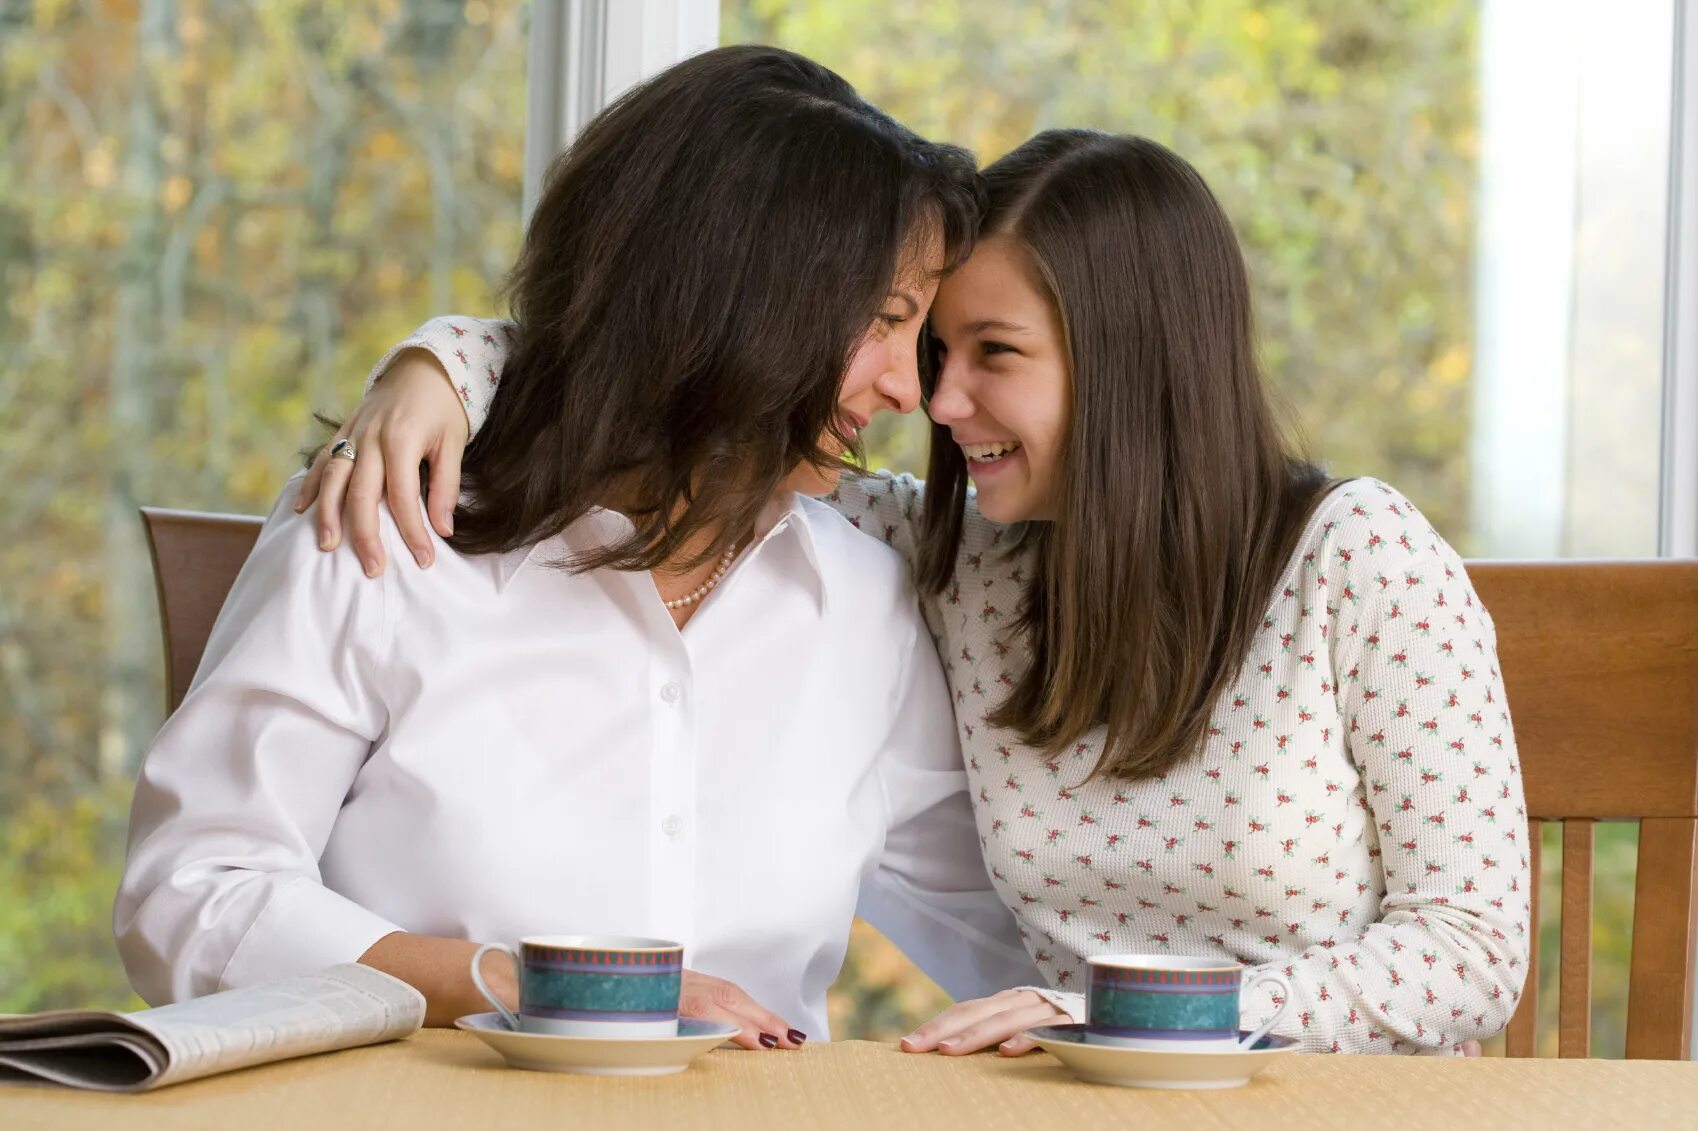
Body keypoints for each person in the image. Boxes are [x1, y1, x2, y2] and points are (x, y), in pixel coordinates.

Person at [307, 131, 1530, 1056]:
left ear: (1136, 362)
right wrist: (450, 363)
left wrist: (1125, 1017)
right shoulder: (955, 558)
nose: (937, 404)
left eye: (993, 356)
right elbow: (697, 405)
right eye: (933, 353)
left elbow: (1471, 956)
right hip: (1067, 1101)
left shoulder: (1355, 556)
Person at [114, 45, 1046, 1049]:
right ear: (732, 297)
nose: (910, 392)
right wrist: (510, 983)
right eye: (886, 324)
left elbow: (1010, 936)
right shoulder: (387, 526)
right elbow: (191, 895)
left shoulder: (868, 601)